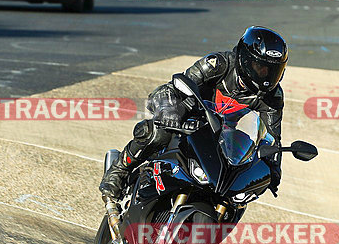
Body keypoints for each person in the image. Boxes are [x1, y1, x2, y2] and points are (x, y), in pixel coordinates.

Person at [99, 26, 288, 199]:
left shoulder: (273, 96)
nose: (266, 76)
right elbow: (174, 88)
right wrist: (170, 111)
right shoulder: (218, 64)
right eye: (260, 68)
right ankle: (119, 171)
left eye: (273, 71)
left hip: (229, 140)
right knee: (155, 133)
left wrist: (273, 169)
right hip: (190, 120)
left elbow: (272, 137)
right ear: (244, 59)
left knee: (240, 188)